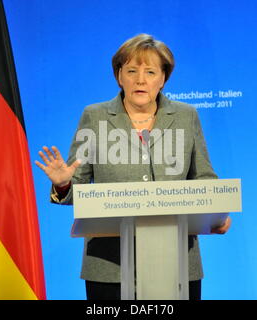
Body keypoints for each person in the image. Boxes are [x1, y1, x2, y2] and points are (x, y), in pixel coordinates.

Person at [35, 34, 231, 300]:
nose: (140, 79)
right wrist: (63, 183)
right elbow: (75, 187)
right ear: (119, 76)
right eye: (131, 71)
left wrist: (214, 215)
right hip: (109, 266)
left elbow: (204, 177)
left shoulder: (186, 116)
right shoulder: (95, 116)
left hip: (177, 263)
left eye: (150, 71)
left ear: (162, 79)